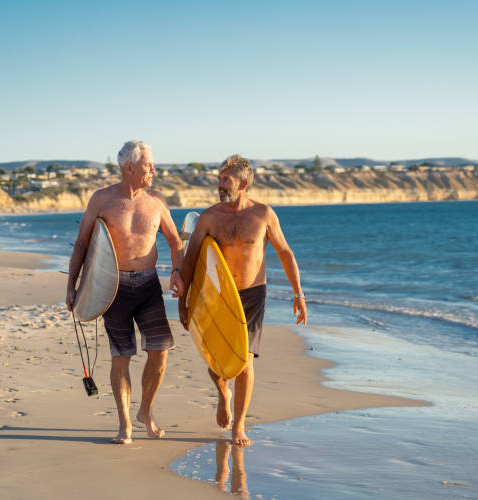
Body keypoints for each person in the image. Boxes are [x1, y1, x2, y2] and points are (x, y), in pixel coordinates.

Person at [179, 154, 307, 447]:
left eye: (227, 179)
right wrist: (183, 299)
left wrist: (298, 294)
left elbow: (285, 253)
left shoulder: (263, 215)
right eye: (219, 178)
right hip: (216, 295)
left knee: (245, 362)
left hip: (251, 295)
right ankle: (223, 393)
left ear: (244, 183)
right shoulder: (209, 217)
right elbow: (192, 258)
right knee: (216, 361)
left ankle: (239, 425)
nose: (220, 184)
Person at [66, 140, 184, 445]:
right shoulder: (102, 199)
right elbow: (82, 243)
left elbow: (175, 242)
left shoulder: (156, 201)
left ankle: (145, 410)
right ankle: (125, 424)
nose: (153, 170)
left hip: (148, 286)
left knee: (159, 353)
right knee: (121, 357)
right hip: (112, 286)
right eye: (148, 165)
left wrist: (177, 272)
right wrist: (72, 286)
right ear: (129, 168)